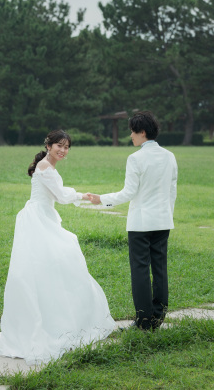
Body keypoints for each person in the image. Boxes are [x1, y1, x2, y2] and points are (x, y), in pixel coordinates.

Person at [0, 129, 115, 365]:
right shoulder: (44, 167)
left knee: (55, 263)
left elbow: (56, 196)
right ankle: (47, 321)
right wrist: (83, 195)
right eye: (59, 145)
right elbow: (61, 196)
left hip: (44, 216)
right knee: (51, 262)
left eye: (66, 147)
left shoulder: (47, 166)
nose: (63, 150)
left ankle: (59, 316)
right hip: (38, 220)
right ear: (48, 146)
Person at [85, 111, 177, 331]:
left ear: (142, 132)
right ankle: (158, 317)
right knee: (160, 269)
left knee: (140, 270)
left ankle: (144, 321)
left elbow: (128, 192)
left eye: (133, 132)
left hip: (141, 224)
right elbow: (171, 190)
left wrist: (101, 199)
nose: (131, 136)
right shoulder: (170, 156)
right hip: (163, 221)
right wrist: (167, 214)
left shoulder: (135, 158)